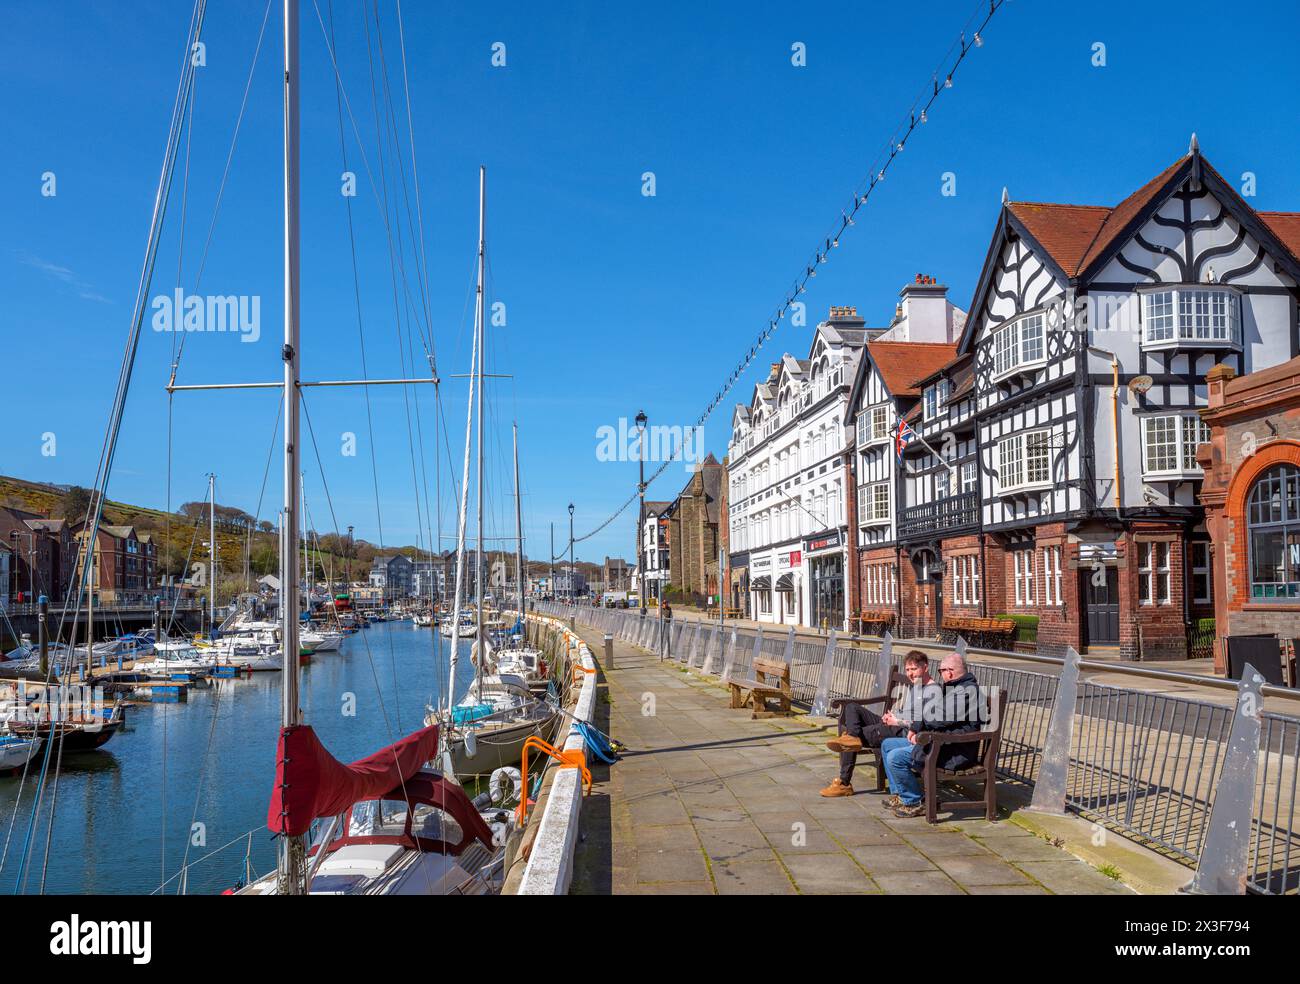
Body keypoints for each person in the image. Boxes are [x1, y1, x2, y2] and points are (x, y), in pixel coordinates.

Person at [819, 651, 940, 798]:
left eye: (914, 669)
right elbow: (909, 712)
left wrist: (897, 721)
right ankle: (852, 736)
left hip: (901, 730)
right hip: (894, 723)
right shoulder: (917, 686)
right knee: (852, 707)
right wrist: (893, 715)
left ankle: (844, 783)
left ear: (925, 668)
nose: (910, 674)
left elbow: (923, 722)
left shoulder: (933, 691)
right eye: (908, 670)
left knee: (853, 736)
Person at [880, 652, 984, 818]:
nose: (940, 674)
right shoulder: (954, 688)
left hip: (954, 750)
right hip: (941, 743)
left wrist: (917, 728)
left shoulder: (965, 692)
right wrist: (919, 729)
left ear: (949, 672)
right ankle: (902, 793)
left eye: (941, 671)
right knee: (887, 745)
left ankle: (915, 801)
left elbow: (939, 718)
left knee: (895, 757)